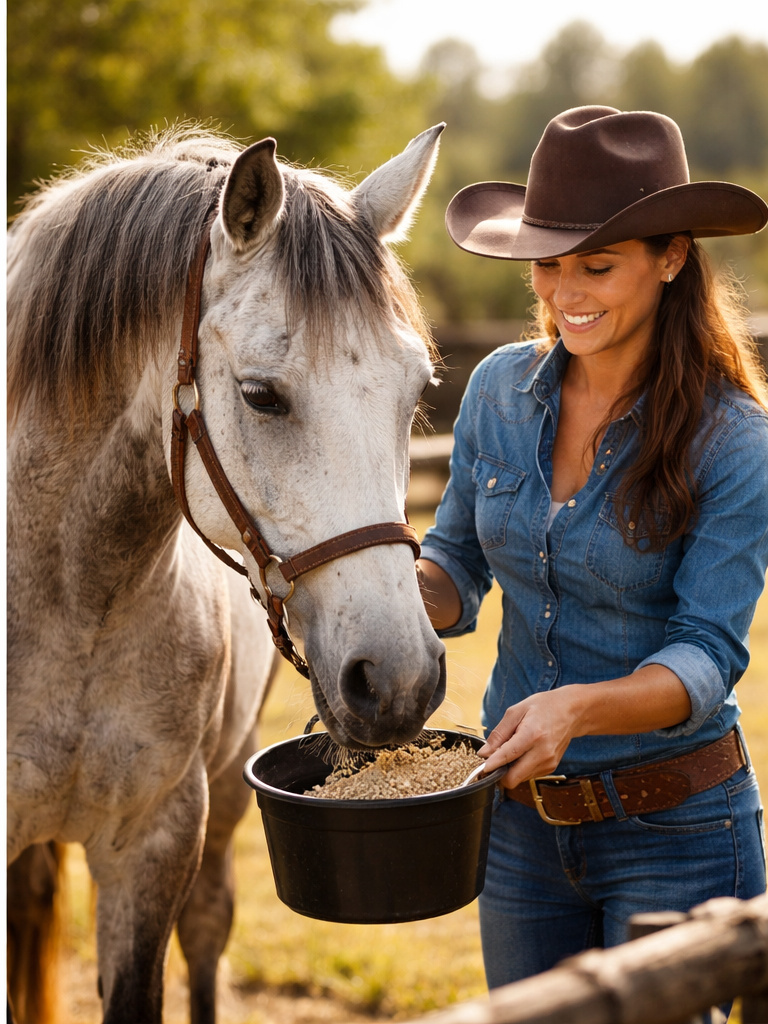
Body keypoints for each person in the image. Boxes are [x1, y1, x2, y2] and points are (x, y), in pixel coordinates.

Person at [417, 106, 768, 997]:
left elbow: (706, 657)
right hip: (519, 825)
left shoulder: (734, 440)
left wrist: (575, 711)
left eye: (597, 265)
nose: (562, 291)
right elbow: (454, 566)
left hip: (678, 831)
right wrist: (376, 591)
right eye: (547, 262)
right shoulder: (498, 390)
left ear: (672, 257)